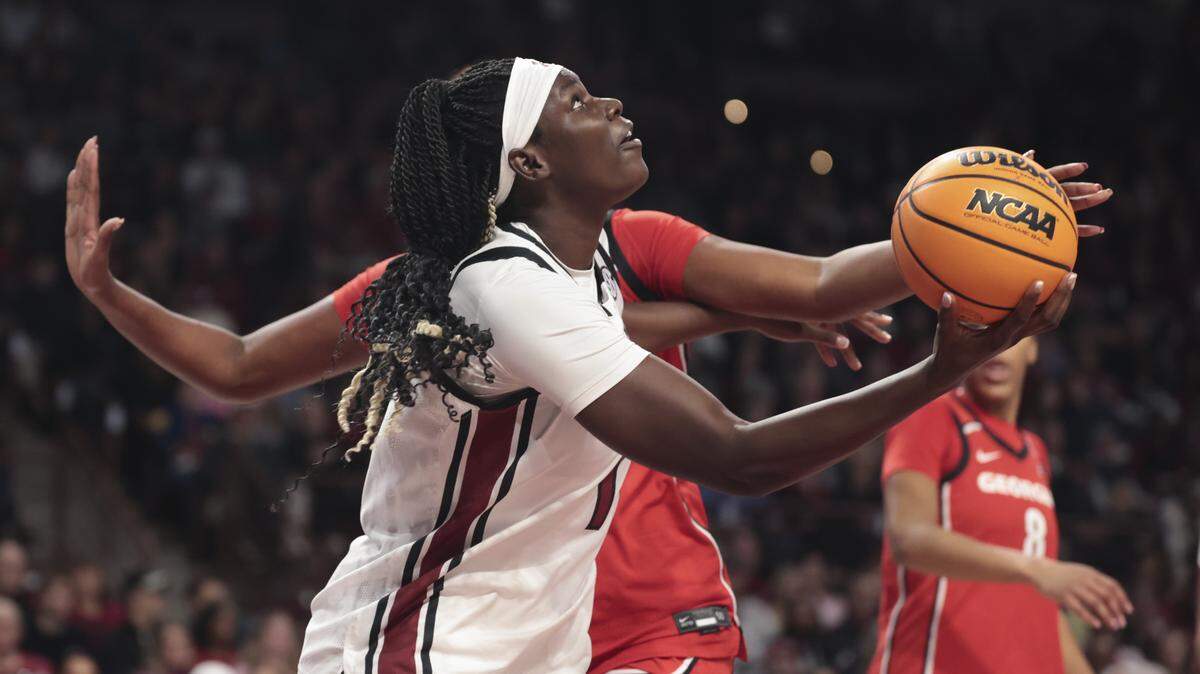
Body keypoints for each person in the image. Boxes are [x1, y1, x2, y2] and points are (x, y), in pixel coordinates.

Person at [67, 58, 1080, 672]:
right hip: (430, 640)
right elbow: (739, 455)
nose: (615, 107)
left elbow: (775, 293)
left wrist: (974, 223)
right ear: (533, 163)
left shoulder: (551, 273)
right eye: (582, 103)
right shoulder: (492, 282)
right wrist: (941, 365)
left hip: (534, 641)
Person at [868, 338, 1133, 674]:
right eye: (987, 331)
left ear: (1034, 348)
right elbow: (909, 538)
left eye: (1014, 335)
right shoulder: (930, 416)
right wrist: (1037, 569)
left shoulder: (1035, 451)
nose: (998, 348)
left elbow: (1038, 603)